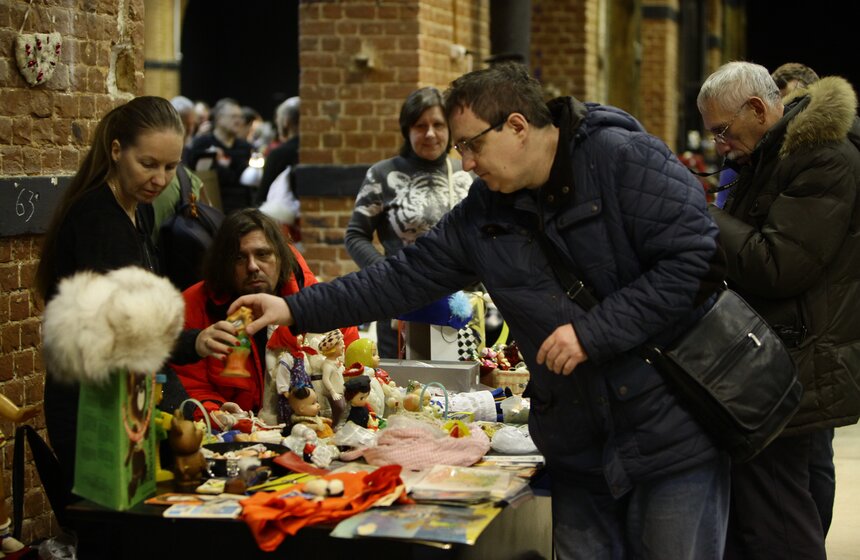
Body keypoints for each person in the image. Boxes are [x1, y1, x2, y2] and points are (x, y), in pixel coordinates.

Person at [230, 62, 730, 559]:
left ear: (516, 125)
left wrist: (591, 334)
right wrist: (294, 307)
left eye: (471, 144)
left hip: (671, 432)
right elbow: (400, 277)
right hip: (580, 445)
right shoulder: (483, 211)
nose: (465, 163)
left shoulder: (622, 157)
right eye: (459, 149)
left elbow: (694, 262)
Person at [697, 61, 860, 560]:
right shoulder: (776, 152)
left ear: (758, 108)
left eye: (724, 131)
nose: (721, 144)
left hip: (797, 359)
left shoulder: (823, 155)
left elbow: (778, 265)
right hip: (781, 354)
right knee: (769, 510)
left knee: (778, 521)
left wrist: (702, 212)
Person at [34, 96, 210, 506]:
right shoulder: (99, 218)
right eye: (148, 164)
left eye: (171, 167)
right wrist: (194, 346)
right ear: (116, 151)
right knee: (113, 533)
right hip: (90, 404)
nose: (161, 178)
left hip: (118, 395)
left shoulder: (136, 211)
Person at [169, 208, 359, 425]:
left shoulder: (315, 300)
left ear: (280, 256)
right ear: (224, 263)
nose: (252, 266)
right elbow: (189, 385)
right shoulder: (193, 306)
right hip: (234, 439)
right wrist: (217, 412)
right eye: (239, 257)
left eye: (263, 254)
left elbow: (356, 369)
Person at [344, 86, 473, 358]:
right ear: (406, 129)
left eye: (438, 124)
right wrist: (388, 274)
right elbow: (355, 235)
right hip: (398, 306)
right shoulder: (382, 174)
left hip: (458, 308)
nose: (430, 133)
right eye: (420, 125)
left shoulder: (468, 172)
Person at [185, 97, 254, 215]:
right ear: (219, 118)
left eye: (240, 117)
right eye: (233, 116)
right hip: (211, 209)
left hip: (241, 210)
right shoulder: (202, 144)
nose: (238, 121)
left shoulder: (245, 147)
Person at [256, 96, 300, 205]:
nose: (276, 122)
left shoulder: (279, 154)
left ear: (286, 121)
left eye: (278, 118)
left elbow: (262, 199)